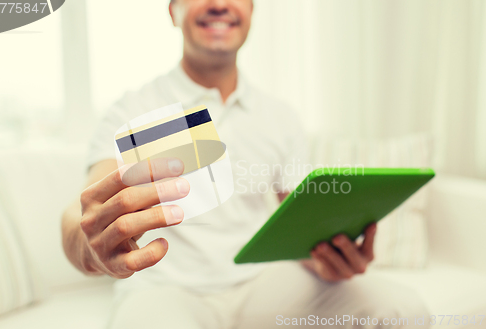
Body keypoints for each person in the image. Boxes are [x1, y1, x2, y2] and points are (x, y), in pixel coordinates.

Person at [62, 0, 430, 328]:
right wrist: (87, 243)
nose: (220, 4)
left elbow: (297, 221)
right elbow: (84, 213)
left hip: (261, 283)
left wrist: (323, 257)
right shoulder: (130, 110)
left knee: (403, 308)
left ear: (252, 10)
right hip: (164, 290)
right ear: (172, 11)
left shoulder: (280, 116)